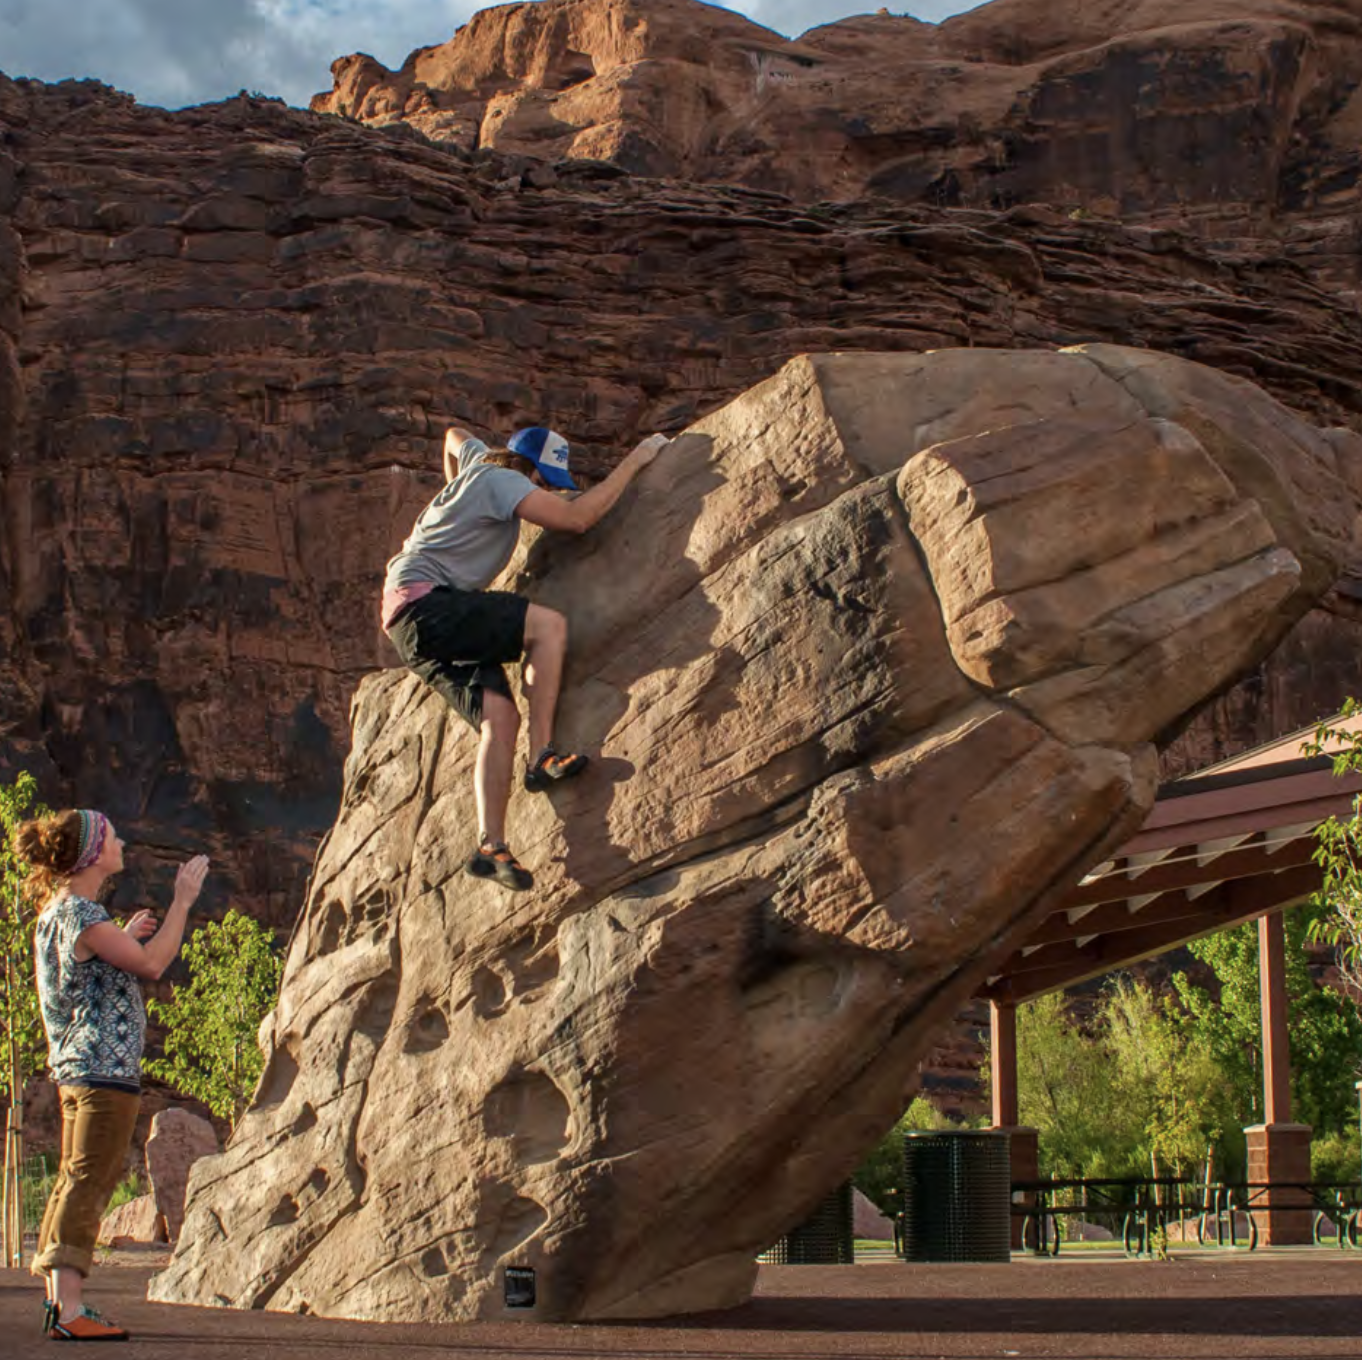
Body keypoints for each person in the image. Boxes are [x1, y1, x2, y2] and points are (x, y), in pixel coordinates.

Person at [382, 423, 669, 891]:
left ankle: (490, 845)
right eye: (544, 482)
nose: (542, 493)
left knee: (498, 718)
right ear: (530, 469)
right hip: (429, 604)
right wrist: (637, 458)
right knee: (548, 626)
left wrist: (452, 493)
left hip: (405, 623)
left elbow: (453, 434)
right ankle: (541, 757)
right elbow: (577, 519)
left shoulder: (481, 464)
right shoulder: (505, 481)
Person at [13, 807, 208, 1342]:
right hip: (103, 1072)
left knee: (73, 1178)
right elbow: (151, 964)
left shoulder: (62, 913)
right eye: (113, 836)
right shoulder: (80, 912)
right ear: (94, 852)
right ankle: (70, 1308)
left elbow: (87, 974)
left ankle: (60, 1305)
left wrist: (117, 934)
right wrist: (183, 903)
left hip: (77, 1068)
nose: (122, 841)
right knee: (88, 1181)